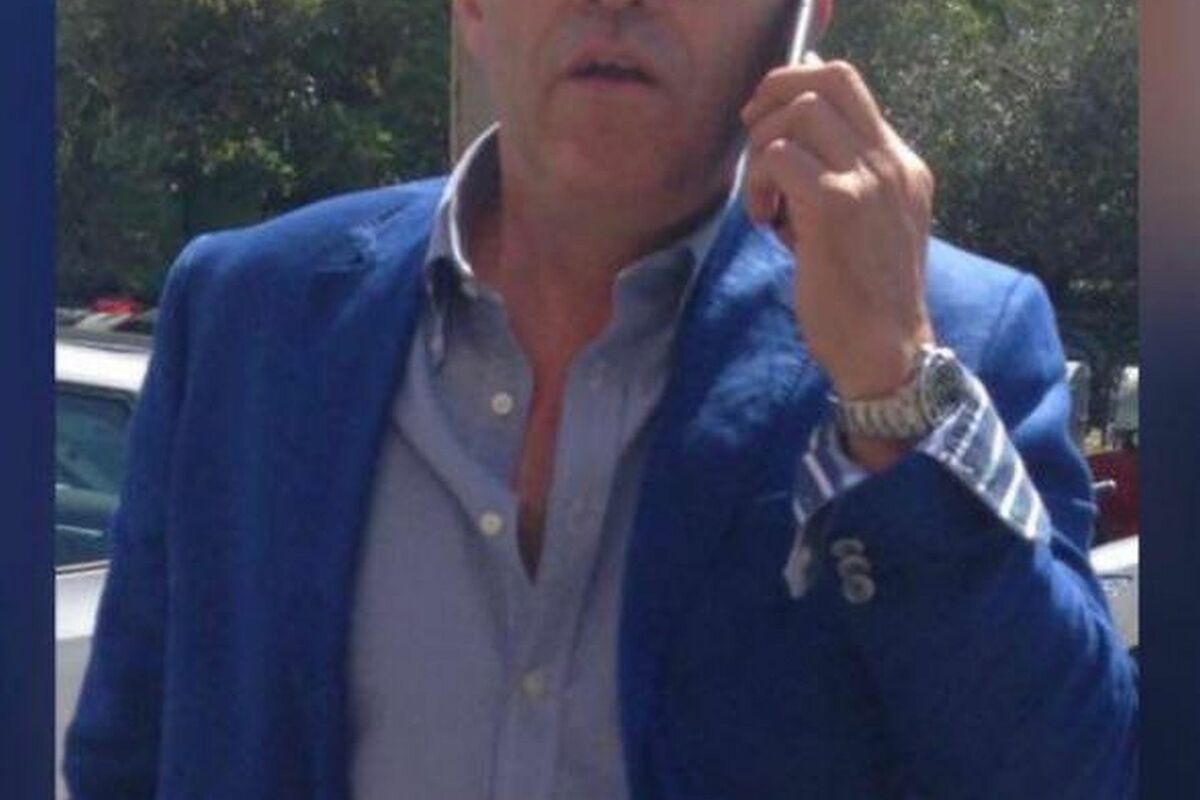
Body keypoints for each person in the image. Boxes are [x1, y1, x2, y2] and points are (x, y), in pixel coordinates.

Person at [64, 0, 1137, 797]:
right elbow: (128, 756)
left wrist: (891, 387)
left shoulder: (955, 337)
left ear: (804, 20)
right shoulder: (250, 315)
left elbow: (1068, 774)